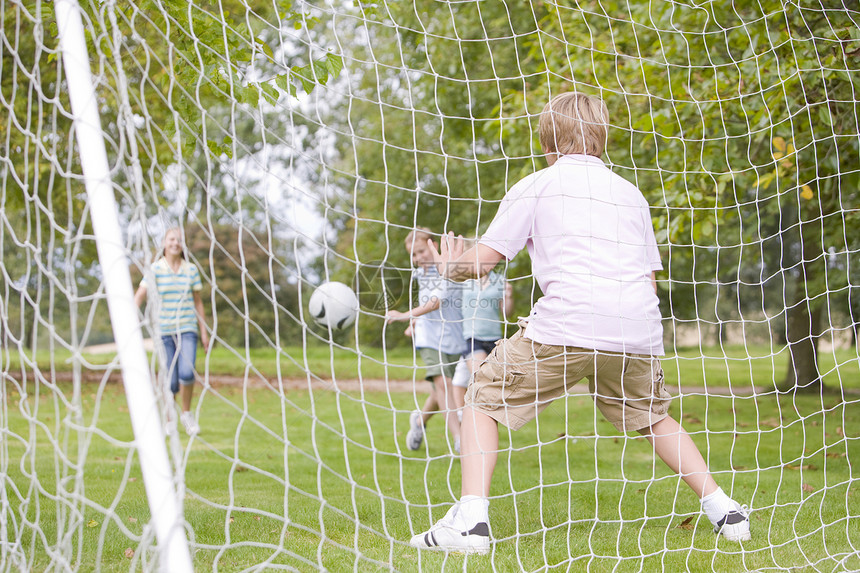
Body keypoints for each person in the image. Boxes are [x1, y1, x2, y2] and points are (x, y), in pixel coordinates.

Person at [409, 93, 751, 553]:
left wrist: (450, 265)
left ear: (548, 142)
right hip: (636, 332)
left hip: (566, 327)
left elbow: (484, 262)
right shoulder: (632, 195)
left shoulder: (538, 184)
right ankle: (726, 511)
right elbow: (648, 282)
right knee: (654, 416)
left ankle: (470, 522)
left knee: (482, 395)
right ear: (601, 137)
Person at [386, 228, 466, 453]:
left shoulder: (449, 269)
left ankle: (419, 422)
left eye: (420, 251)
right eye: (413, 254)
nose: (417, 258)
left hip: (454, 337)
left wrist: (405, 316)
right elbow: (428, 303)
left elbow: (437, 301)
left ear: (433, 246)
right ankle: (459, 439)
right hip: (429, 338)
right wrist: (414, 322)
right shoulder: (420, 274)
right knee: (444, 384)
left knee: (439, 390)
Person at [134, 227, 210, 435]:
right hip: (164, 332)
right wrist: (130, 317)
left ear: (183, 245)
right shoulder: (156, 269)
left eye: (179, 240)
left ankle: (186, 414)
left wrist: (204, 331)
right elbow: (140, 295)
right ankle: (169, 419)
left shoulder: (191, 270)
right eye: (171, 239)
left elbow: (198, 303)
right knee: (171, 380)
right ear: (164, 243)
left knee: (187, 372)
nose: (175, 243)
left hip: (187, 328)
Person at [457, 265, 514, 412]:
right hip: (472, 337)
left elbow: (507, 313)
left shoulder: (499, 280)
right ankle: (468, 415)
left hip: (494, 339)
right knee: (481, 380)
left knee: (467, 381)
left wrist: (508, 295)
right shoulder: (464, 280)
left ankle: (467, 414)